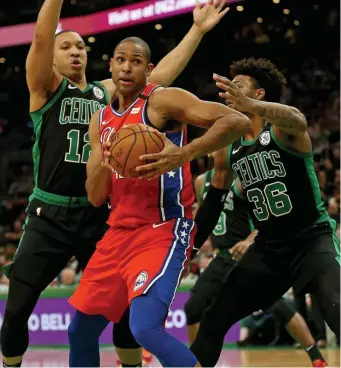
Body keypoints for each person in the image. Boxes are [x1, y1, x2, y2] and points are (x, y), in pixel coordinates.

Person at [0, 0, 230, 366]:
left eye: (80, 46)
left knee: (125, 319)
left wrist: (197, 30)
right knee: (16, 310)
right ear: (53, 60)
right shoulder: (45, 90)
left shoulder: (105, 94)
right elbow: (42, 38)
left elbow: (156, 75)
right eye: (66, 46)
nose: (74, 51)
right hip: (50, 213)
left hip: (100, 215)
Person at [67, 36, 250, 367]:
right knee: (79, 331)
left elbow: (237, 121)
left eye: (136, 61)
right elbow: (95, 197)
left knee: (145, 328)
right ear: (110, 66)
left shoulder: (163, 101)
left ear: (149, 69)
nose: (126, 66)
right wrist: (104, 163)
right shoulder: (99, 122)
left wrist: (185, 152)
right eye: (120, 59)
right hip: (117, 234)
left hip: (162, 229)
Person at [181, 57, 340, 366]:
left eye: (238, 88)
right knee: (214, 316)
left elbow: (298, 119)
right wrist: (193, 245)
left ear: (260, 94)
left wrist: (250, 106)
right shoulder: (229, 145)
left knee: (337, 311)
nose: (229, 94)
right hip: (268, 249)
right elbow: (214, 197)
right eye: (229, 90)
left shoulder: (282, 130)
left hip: (311, 240)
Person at [185, 159, 328, 367]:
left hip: (247, 255)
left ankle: (316, 357)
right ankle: (194, 361)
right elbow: (204, 216)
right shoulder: (201, 182)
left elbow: (267, 218)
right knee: (193, 308)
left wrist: (249, 240)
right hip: (221, 256)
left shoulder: (243, 179)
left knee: (278, 306)